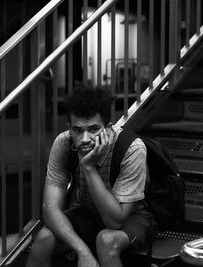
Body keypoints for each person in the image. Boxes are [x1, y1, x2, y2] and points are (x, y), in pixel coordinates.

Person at [26, 88, 155, 267]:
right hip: (87, 213)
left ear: (108, 129)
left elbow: (114, 221)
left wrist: (88, 167)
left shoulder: (132, 149)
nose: (85, 139)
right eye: (77, 130)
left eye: (94, 129)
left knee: (106, 241)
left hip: (133, 218)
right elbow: (50, 209)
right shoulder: (64, 143)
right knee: (43, 238)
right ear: (69, 128)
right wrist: (82, 251)